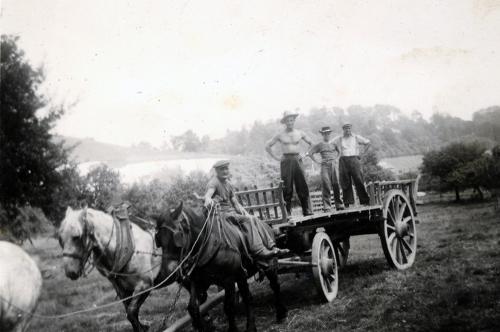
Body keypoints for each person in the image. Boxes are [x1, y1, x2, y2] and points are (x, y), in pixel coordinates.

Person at [204, 160, 288, 260]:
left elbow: (235, 203)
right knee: (247, 220)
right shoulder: (214, 183)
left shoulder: (228, 184)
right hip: (221, 214)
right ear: (216, 171)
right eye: (222, 169)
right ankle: (259, 250)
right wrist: (209, 200)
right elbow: (208, 196)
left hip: (231, 213)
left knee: (253, 219)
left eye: (226, 168)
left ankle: (272, 246)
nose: (225, 171)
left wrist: (246, 213)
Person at [265, 111, 314, 216]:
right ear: (285, 122)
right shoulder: (280, 135)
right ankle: (288, 211)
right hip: (286, 160)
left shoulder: (300, 133)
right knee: (287, 186)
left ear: (294, 121)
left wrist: (305, 154)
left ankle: (306, 209)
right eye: (288, 121)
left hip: (297, 159)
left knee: (302, 184)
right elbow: (267, 146)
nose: (290, 122)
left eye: (291, 120)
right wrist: (277, 158)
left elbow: (311, 143)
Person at [331, 123, 370, 207]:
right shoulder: (339, 138)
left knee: (358, 179)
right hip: (343, 160)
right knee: (345, 181)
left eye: (349, 128)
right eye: (345, 129)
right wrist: (336, 152)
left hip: (354, 159)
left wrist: (362, 154)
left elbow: (367, 143)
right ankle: (347, 202)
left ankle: (364, 200)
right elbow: (330, 144)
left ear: (351, 129)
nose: (347, 130)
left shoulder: (356, 137)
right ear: (343, 130)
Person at [306, 126, 344, 211]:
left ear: (330, 134)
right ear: (322, 135)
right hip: (325, 166)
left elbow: (340, 151)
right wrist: (317, 161)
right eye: (325, 134)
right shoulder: (320, 145)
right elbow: (310, 153)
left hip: (334, 165)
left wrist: (337, 159)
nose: (327, 135)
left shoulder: (334, 143)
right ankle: (327, 206)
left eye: (328, 133)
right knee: (326, 185)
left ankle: (339, 205)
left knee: (336, 184)